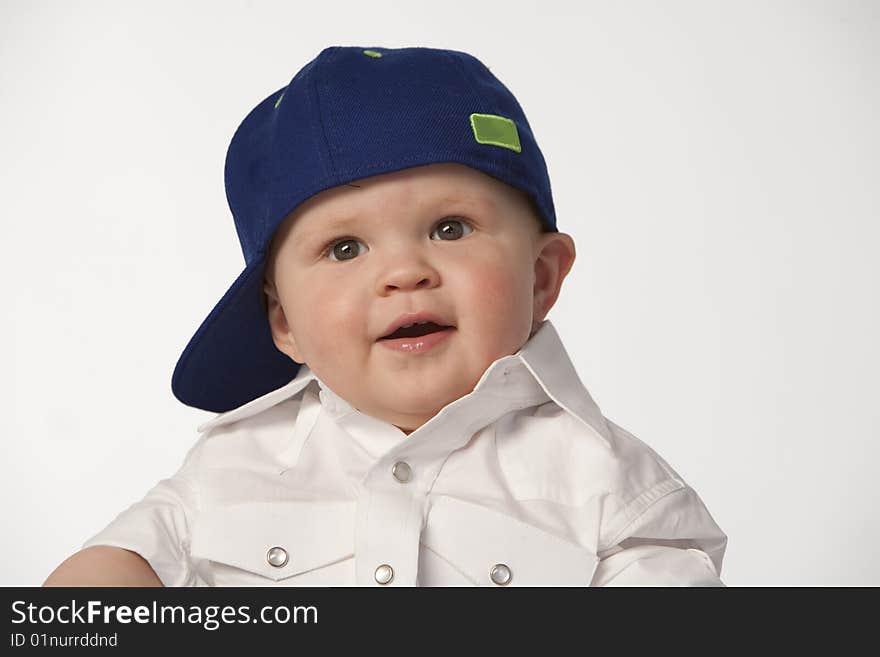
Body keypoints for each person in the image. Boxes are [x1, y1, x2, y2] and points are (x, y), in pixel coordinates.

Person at [44, 45, 727, 587]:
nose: (404, 272)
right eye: (344, 247)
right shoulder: (232, 465)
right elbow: (113, 572)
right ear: (283, 323)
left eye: (451, 229)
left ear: (541, 276)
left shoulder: (613, 488)